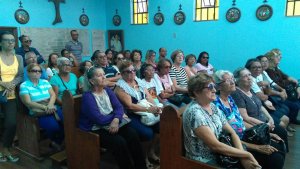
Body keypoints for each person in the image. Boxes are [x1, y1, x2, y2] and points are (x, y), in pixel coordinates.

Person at [182, 73, 260, 169]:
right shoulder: (195, 113)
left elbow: (231, 132)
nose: (214, 90)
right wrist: (247, 155)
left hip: (221, 154)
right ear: (196, 92)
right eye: (210, 87)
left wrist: (243, 157)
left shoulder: (212, 106)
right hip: (203, 161)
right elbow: (215, 146)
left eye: (214, 86)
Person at [213, 70, 286, 169]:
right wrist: (256, 147)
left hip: (245, 136)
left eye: (232, 79)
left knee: (278, 146)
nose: (232, 82)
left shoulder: (230, 99)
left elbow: (240, 122)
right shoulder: (216, 104)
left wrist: (264, 132)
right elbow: (225, 137)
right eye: (227, 80)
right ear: (219, 86)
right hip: (234, 143)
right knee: (275, 158)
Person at [79, 66, 147, 169]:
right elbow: (99, 119)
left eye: (103, 74)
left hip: (110, 122)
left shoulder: (107, 90)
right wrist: (116, 117)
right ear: (92, 81)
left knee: (133, 134)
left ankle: (141, 166)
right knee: (119, 142)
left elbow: (119, 107)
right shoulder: (88, 97)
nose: (103, 77)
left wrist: (116, 119)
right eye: (99, 75)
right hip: (94, 128)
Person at [115, 61, 161, 168]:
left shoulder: (138, 81)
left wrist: (156, 107)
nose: (132, 73)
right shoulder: (120, 87)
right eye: (128, 71)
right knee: (147, 133)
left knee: (160, 127)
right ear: (122, 74)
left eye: (133, 70)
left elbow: (149, 96)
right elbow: (130, 106)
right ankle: (143, 157)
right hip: (131, 115)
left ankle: (151, 151)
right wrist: (149, 109)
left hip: (146, 111)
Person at [231, 68, 289, 152]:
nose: (249, 77)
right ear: (237, 80)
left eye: (249, 75)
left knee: (282, 131)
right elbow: (245, 117)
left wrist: (270, 119)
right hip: (255, 127)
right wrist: (265, 125)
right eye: (245, 76)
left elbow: (261, 106)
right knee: (280, 134)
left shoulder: (250, 90)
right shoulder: (237, 94)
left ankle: (283, 153)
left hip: (264, 122)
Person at [19, 63, 64, 151]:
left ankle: (58, 142)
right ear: (28, 73)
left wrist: (50, 105)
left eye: (39, 71)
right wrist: (45, 108)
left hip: (52, 107)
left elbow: (53, 95)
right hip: (39, 112)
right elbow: (28, 102)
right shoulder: (24, 85)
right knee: (54, 127)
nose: (37, 73)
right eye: (34, 71)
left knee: (67, 122)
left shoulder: (45, 82)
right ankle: (53, 141)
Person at [245, 59, 290, 131]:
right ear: (248, 69)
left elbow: (269, 86)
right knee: (282, 122)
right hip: (259, 106)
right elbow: (263, 96)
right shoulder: (251, 80)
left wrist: (266, 88)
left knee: (286, 113)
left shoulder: (260, 75)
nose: (257, 69)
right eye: (254, 67)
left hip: (263, 104)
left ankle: (284, 131)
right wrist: (266, 93)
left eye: (259, 67)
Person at [257, 55, 299, 130]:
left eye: (266, 61)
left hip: (271, 95)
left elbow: (273, 83)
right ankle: (283, 127)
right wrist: (280, 92)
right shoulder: (266, 72)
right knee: (289, 106)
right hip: (266, 99)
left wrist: (283, 90)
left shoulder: (267, 72)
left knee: (287, 107)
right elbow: (267, 92)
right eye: (263, 61)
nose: (265, 63)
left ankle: (287, 125)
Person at [0, 31, 24, 162]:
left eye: (12, 40)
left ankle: (6, 148)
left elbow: (20, 75)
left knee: (11, 123)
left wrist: (12, 84)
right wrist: (2, 83)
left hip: (10, 94)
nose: (10, 42)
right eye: (7, 40)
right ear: (1, 43)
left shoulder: (19, 57)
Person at [265, 50, 300, 124]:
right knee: (294, 105)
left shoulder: (276, 68)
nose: (280, 57)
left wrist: (289, 81)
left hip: (283, 91)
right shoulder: (268, 70)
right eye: (277, 56)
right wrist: (288, 82)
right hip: (277, 95)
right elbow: (278, 84)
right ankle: (291, 121)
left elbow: (285, 76)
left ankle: (292, 119)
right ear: (271, 58)